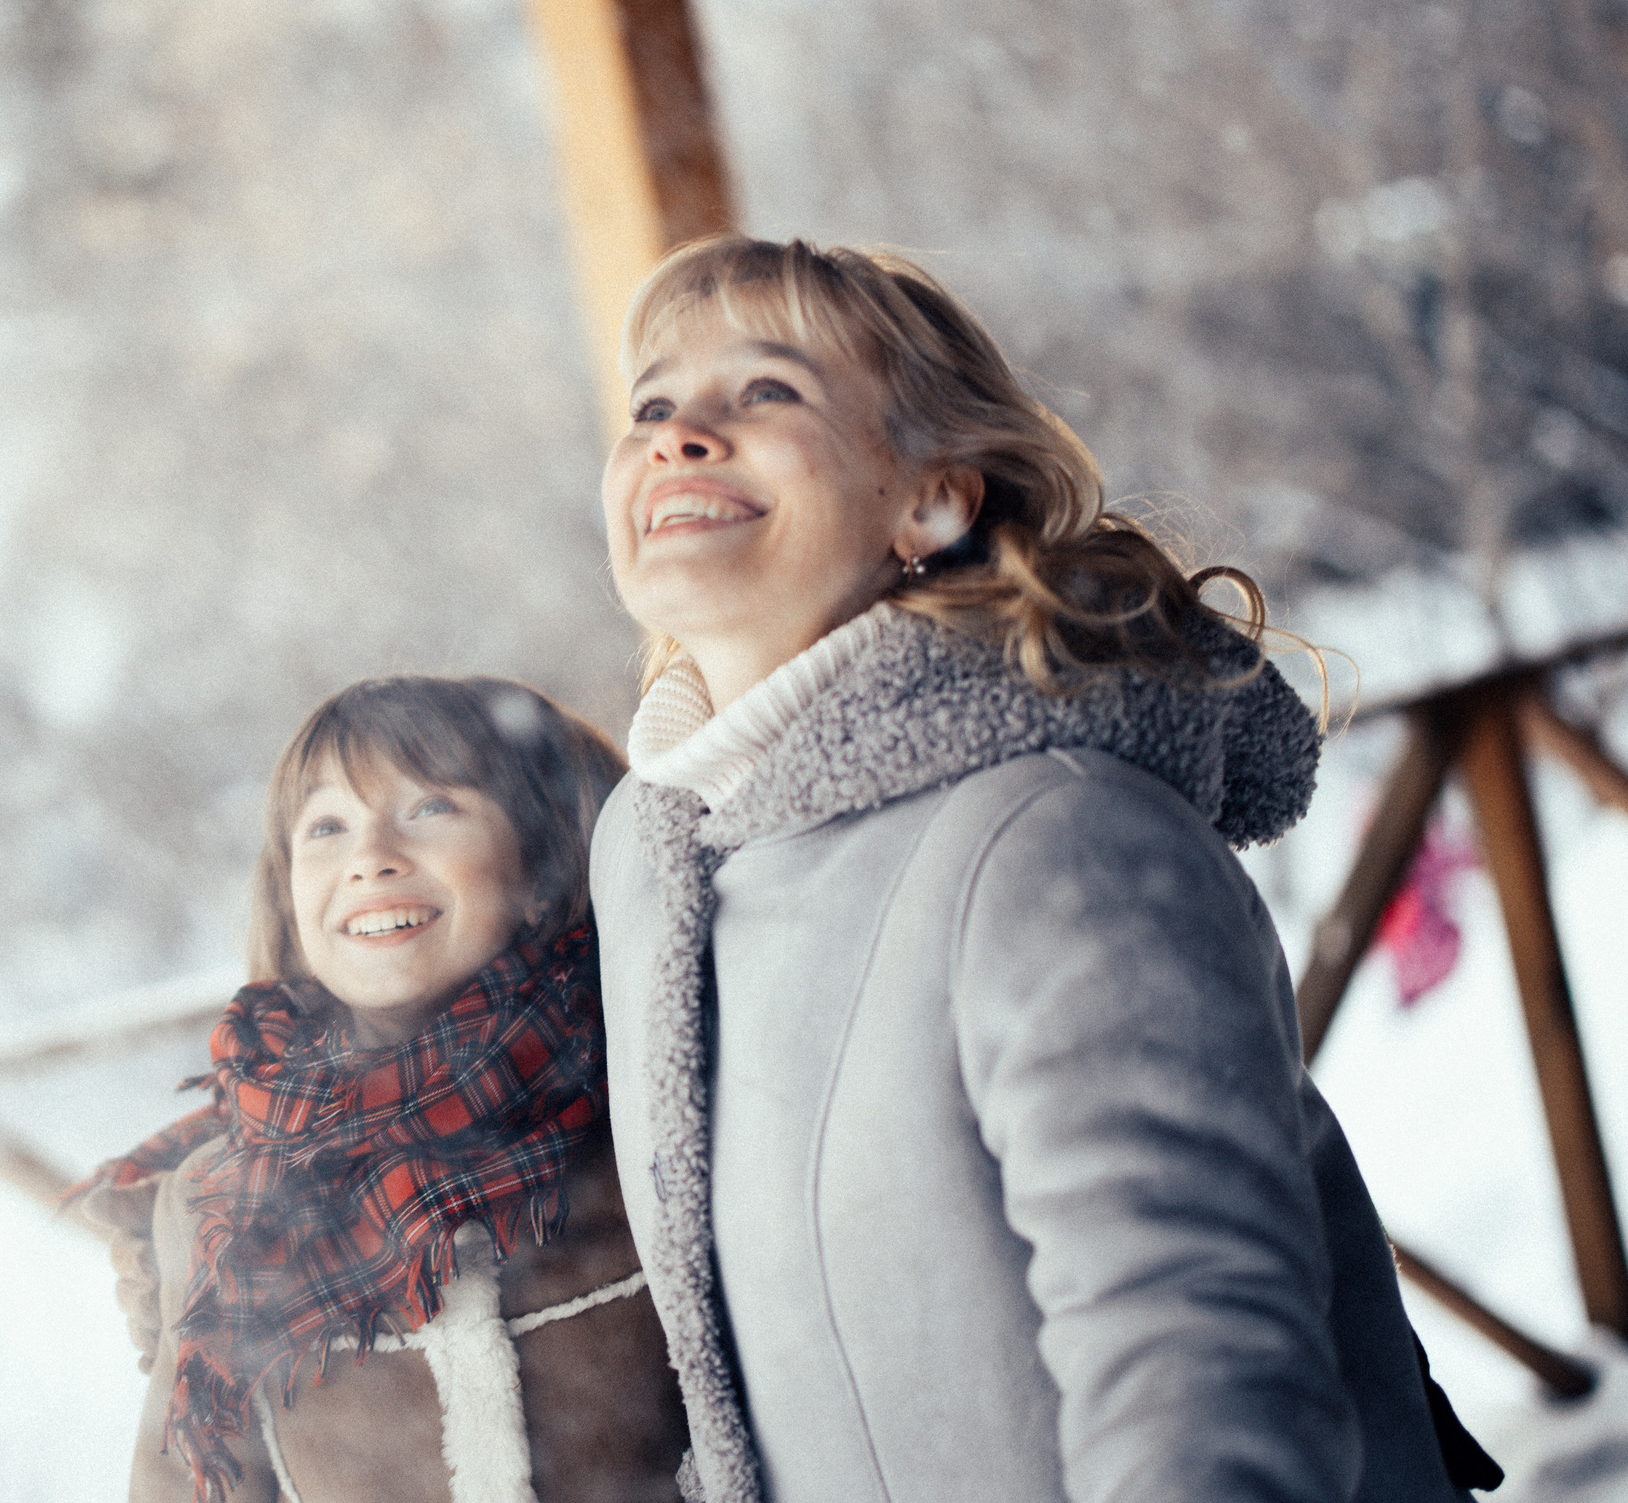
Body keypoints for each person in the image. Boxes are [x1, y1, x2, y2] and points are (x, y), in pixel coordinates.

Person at [589, 235, 1498, 1503]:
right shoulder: (650, 869)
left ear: (932, 498)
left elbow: (1199, 1369)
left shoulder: (1061, 835)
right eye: (650, 404)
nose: (679, 433)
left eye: (767, 389)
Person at [72, 677, 689, 1503]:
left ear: (538, 870)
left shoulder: (654, 1117)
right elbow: (190, 1483)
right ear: (293, 902)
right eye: (327, 827)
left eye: (430, 807)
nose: (370, 857)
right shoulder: (223, 1204)